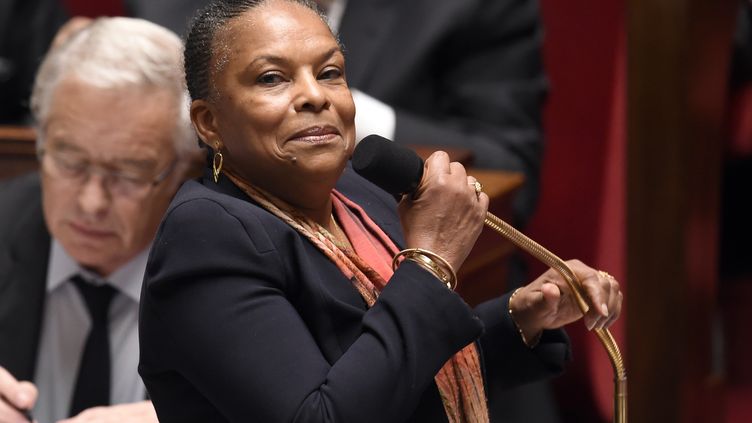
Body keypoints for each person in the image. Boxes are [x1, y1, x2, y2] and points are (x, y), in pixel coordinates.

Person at [138, 1, 622, 422]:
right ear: (209, 122)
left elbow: (401, 376)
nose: (315, 95)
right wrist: (430, 262)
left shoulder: (360, 196)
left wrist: (520, 318)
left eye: (330, 72)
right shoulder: (206, 234)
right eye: (272, 78)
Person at [0, 17, 198, 423]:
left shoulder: (240, 269)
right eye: (70, 162)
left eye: (129, 173)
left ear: (183, 169)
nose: (91, 203)